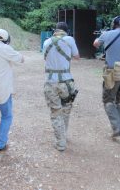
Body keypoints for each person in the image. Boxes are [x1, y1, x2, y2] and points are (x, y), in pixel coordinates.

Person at [93, 16, 120, 138]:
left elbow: (96, 44)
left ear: (113, 24)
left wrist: (102, 35)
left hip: (113, 72)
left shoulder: (107, 34)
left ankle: (116, 126)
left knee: (108, 100)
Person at [43, 22, 80, 151]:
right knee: (66, 110)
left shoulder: (46, 42)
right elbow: (77, 57)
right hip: (66, 82)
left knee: (55, 111)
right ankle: (63, 136)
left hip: (50, 82)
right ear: (66, 31)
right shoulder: (70, 40)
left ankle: (61, 142)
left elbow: (45, 58)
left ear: (55, 31)